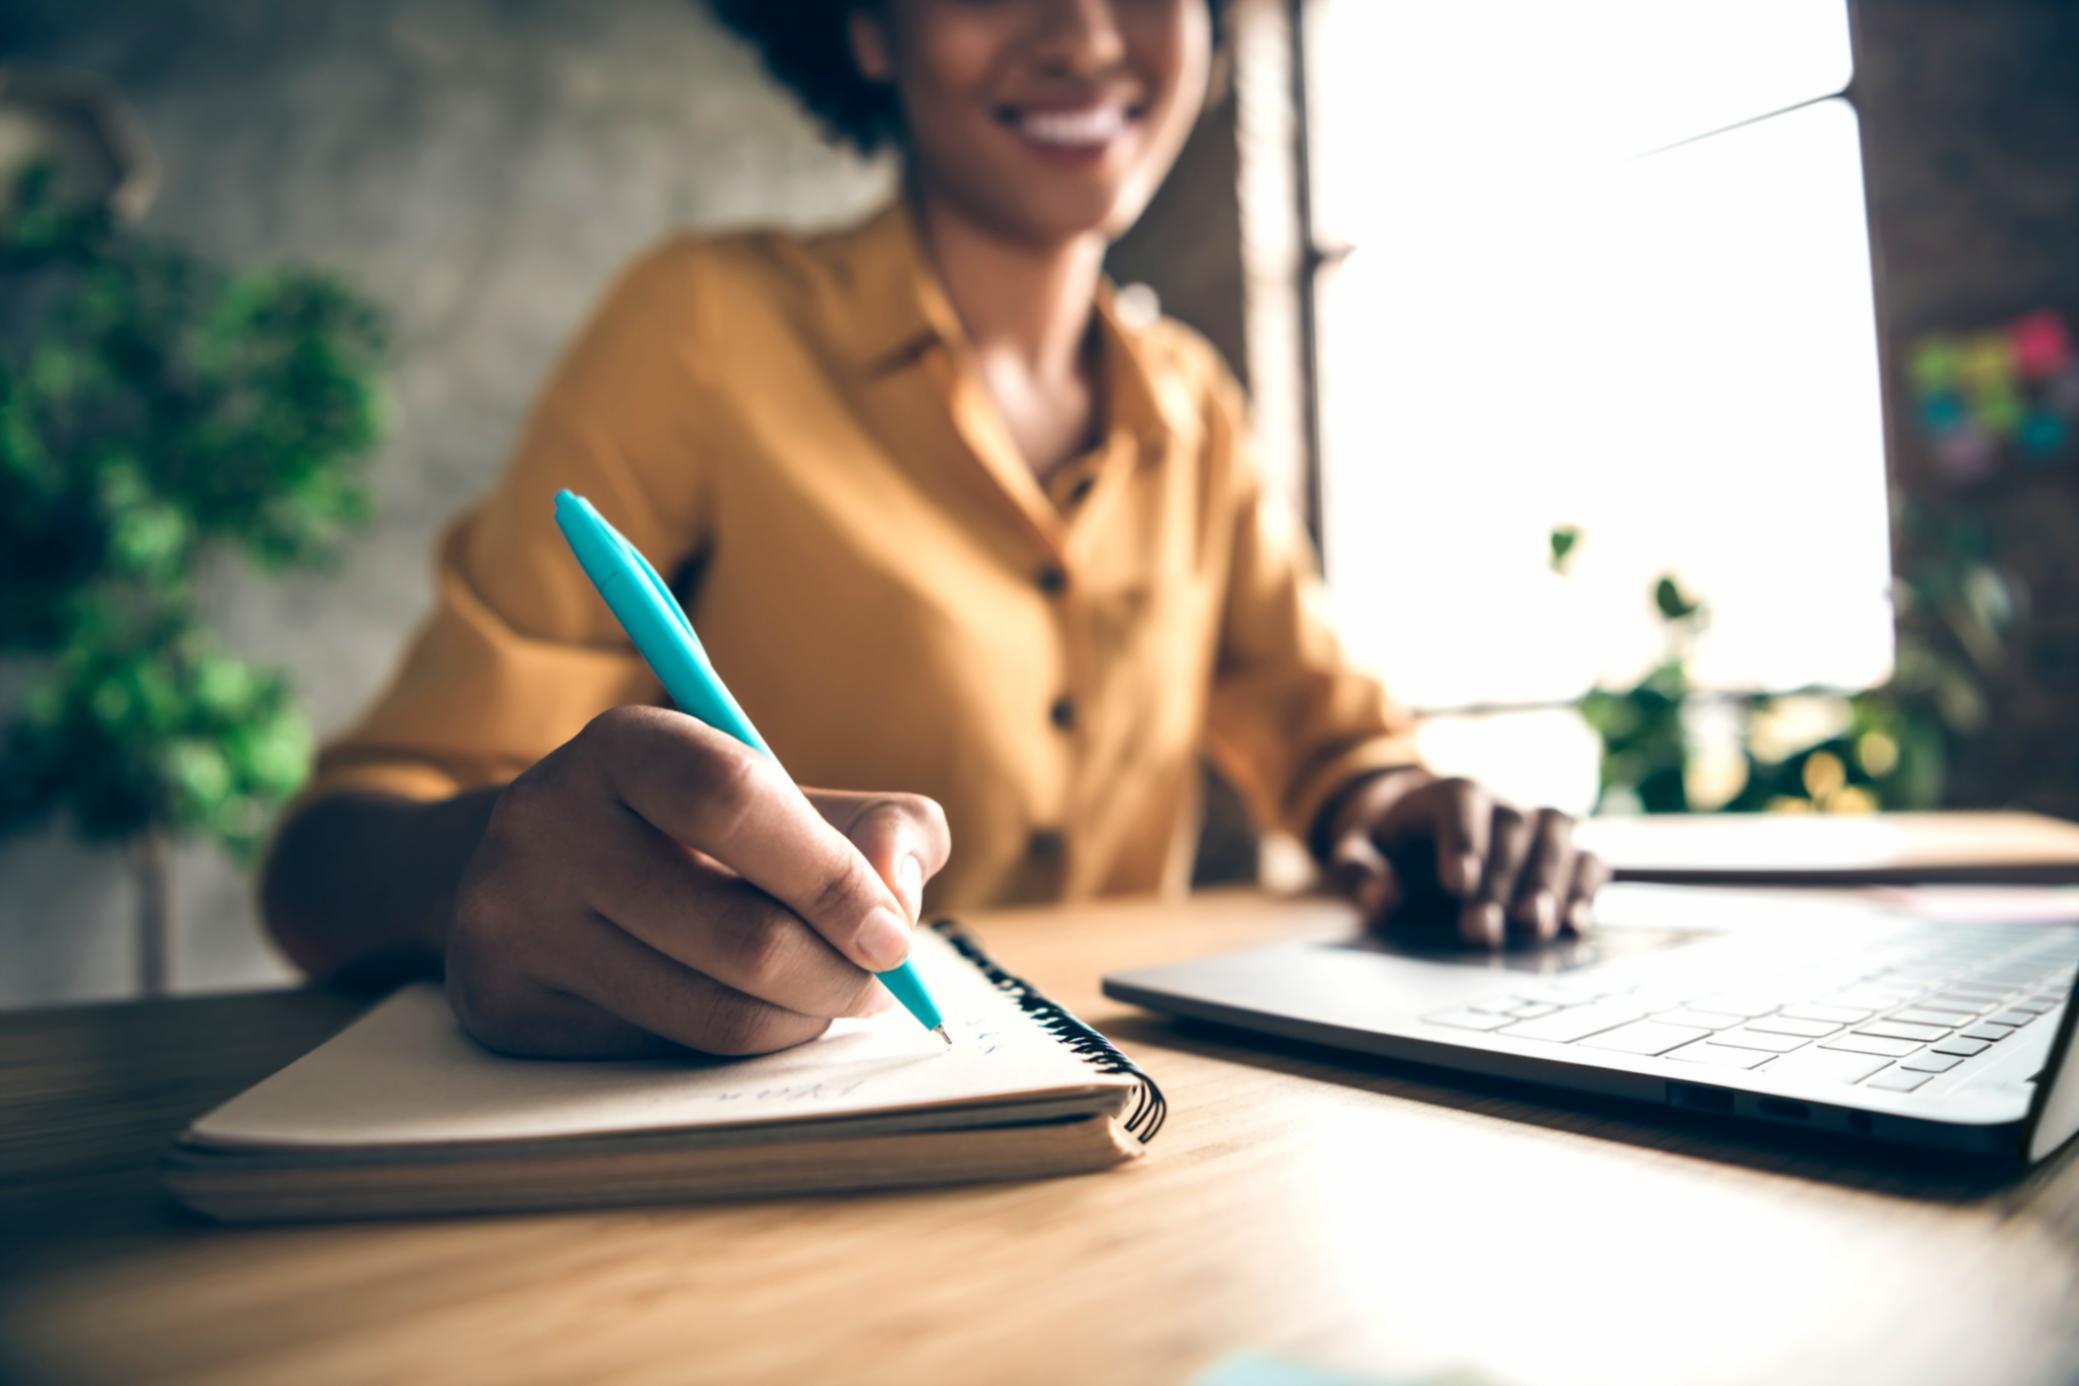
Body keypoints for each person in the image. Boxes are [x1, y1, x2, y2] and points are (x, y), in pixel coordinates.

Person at [262, 0, 1606, 1059]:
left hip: (1132, 1135)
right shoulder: (704, 329)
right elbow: (323, 868)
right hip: (771, 1169)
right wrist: (490, 868)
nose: (1084, 28)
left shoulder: (1192, 407)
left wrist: (1411, 812)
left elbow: (1326, 738)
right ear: (864, 23)